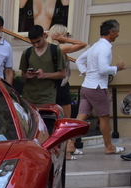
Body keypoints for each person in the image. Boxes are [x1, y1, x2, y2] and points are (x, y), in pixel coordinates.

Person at [76, 19, 125, 155]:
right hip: (97, 87)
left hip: (86, 86)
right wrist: (117, 68)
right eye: (118, 31)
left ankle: (69, 145)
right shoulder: (105, 48)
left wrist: (86, 72)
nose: (118, 34)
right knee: (104, 117)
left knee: (81, 117)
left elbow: (80, 60)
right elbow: (103, 69)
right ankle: (109, 147)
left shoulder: (95, 46)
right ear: (111, 32)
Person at [46, 24, 87, 157]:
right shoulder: (61, 49)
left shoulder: (46, 49)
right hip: (62, 87)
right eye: (66, 34)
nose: (68, 37)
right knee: (66, 121)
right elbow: (83, 44)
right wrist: (66, 40)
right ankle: (67, 151)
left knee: (52, 121)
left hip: (49, 88)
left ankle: (68, 147)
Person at [19, 25, 66, 107]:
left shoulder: (55, 50)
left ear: (44, 35)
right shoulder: (27, 53)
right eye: (33, 42)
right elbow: (22, 78)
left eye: (38, 41)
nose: (36, 45)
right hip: (28, 97)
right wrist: (27, 75)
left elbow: (62, 74)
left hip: (47, 97)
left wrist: (45, 75)